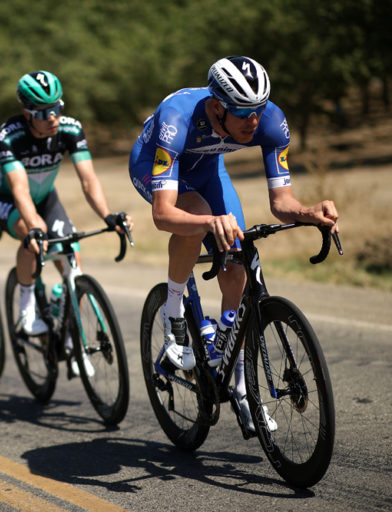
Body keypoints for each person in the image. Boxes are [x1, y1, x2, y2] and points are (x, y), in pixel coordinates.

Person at [128, 55, 339, 432]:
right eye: (242, 112)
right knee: (197, 212)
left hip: (209, 172)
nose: (253, 121)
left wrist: (309, 213)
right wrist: (209, 222)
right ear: (215, 105)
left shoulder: (271, 121)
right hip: (153, 166)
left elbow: (281, 204)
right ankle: (174, 312)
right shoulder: (176, 117)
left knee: (237, 259)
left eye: (258, 110)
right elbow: (163, 215)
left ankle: (240, 384)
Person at [0, 70, 132, 377]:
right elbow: (19, 190)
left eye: (58, 108)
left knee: (72, 255)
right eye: (43, 113)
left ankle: (69, 331)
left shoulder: (70, 128)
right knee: (31, 233)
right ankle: (27, 307)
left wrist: (107, 215)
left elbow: (88, 179)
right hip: (9, 200)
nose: (53, 117)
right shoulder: (9, 135)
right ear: (27, 114)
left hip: (47, 197)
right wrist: (35, 227)